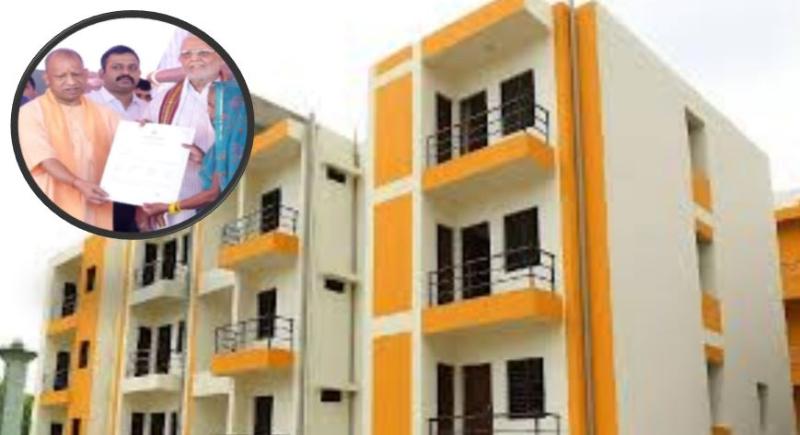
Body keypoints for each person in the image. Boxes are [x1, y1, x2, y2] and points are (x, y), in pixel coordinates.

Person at [18, 48, 118, 230]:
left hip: (95, 206)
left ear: (85, 74)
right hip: (51, 207)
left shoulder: (107, 114)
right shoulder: (30, 113)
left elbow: (126, 152)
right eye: (61, 76)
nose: (71, 82)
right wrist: (78, 183)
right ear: (47, 79)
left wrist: (143, 133)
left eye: (76, 74)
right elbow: (45, 159)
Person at [142, 34, 223, 227]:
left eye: (203, 53)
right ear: (179, 60)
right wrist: (141, 134)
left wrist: (205, 160)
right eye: (187, 54)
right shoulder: (162, 100)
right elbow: (144, 154)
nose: (194, 59)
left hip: (212, 209)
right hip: (164, 211)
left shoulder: (233, 98)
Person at [141, 81, 246, 228]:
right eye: (208, 105)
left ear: (230, 109)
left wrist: (169, 207)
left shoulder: (229, 142)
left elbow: (212, 194)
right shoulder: (228, 139)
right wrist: (203, 159)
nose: (209, 112)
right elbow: (223, 171)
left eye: (213, 106)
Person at [86, 45, 149, 232]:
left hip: (137, 200)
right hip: (94, 197)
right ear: (102, 73)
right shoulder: (84, 105)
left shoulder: (150, 108)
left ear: (139, 73)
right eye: (117, 67)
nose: (125, 73)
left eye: (132, 68)